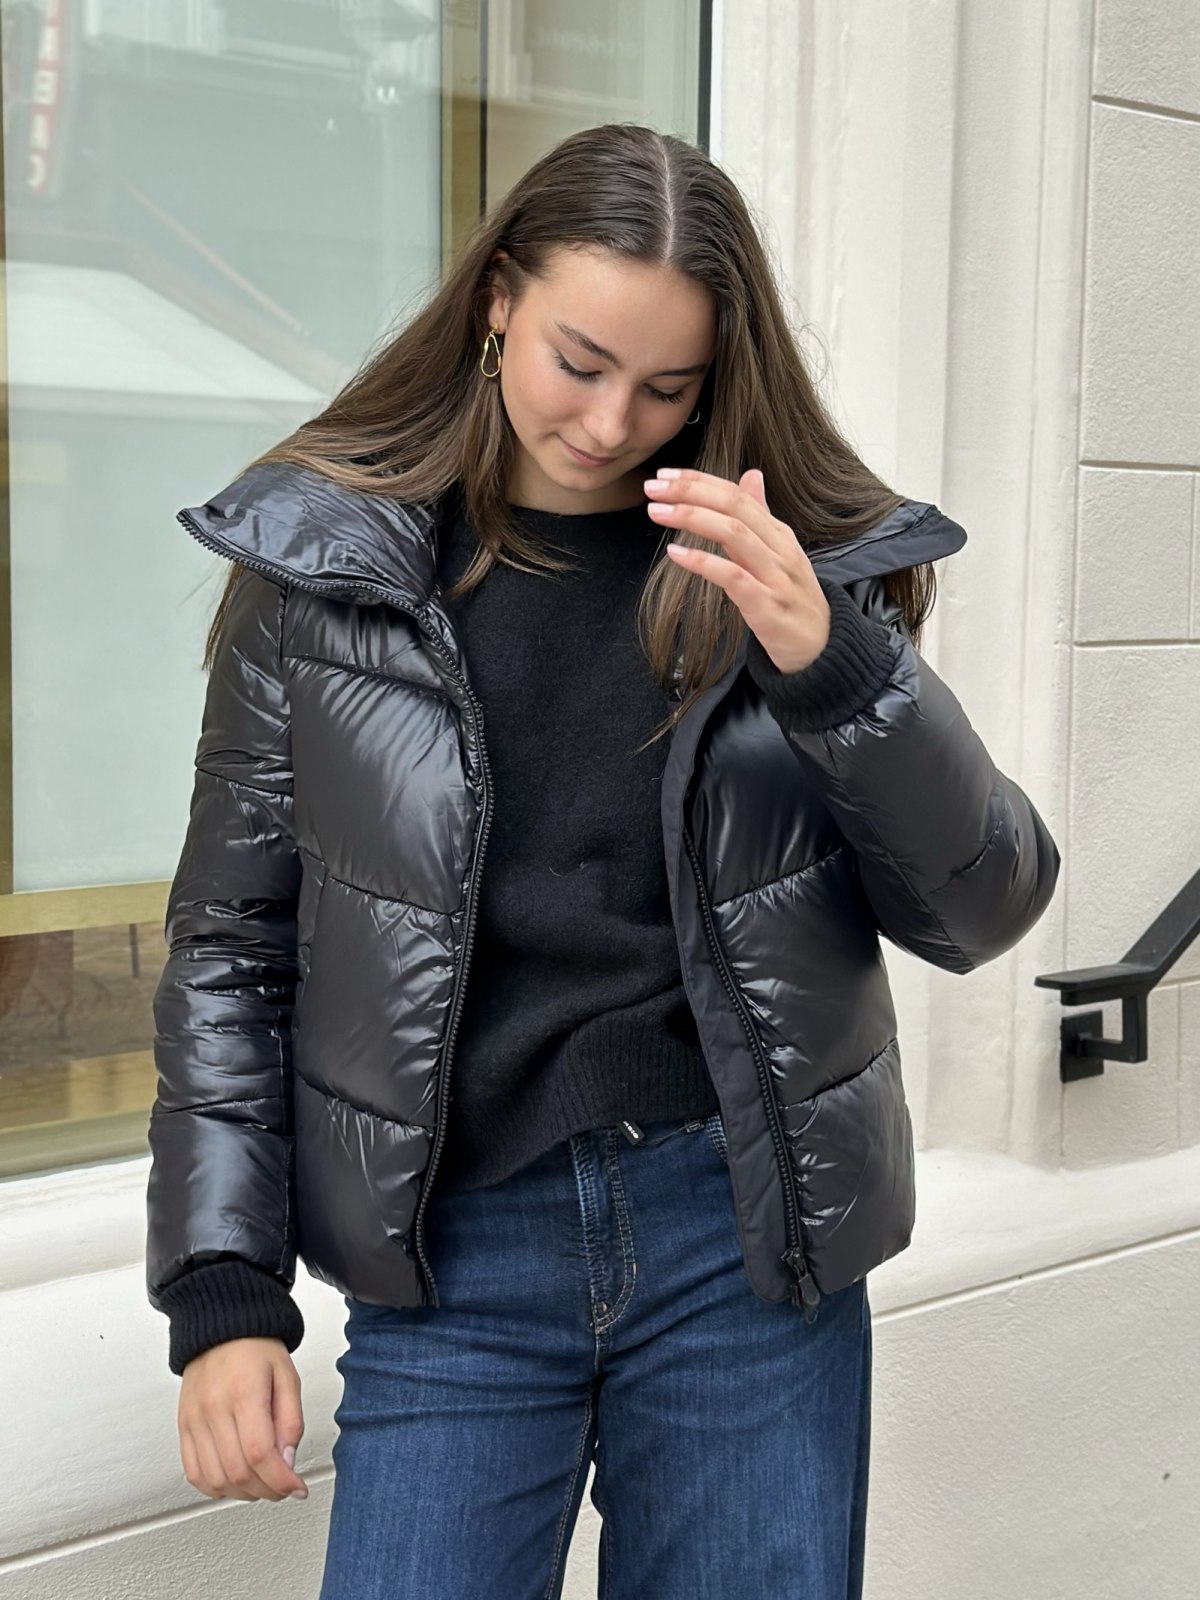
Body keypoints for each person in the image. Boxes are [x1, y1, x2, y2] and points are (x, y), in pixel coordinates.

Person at [145, 122, 1060, 1598]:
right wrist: (223, 1287)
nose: (612, 420)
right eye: (579, 361)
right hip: (454, 1252)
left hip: (739, 1246)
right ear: (497, 299)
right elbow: (232, 953)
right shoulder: (325, 575)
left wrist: (834, 667)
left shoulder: (784, 572)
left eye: (667, 387)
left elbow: (985, 904)